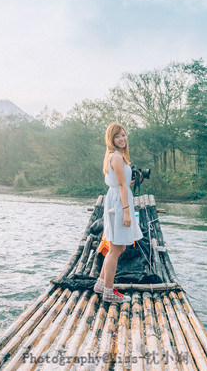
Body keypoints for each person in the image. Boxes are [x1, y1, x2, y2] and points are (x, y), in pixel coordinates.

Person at [94, 122, 143, 303]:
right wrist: (127, 212)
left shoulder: (115, 156)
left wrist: (128, 183)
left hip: (116, 198)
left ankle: (101, 283)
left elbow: (121, 182)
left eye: (123, 135)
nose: (122, 138)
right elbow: (121, 185)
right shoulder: (116, 157)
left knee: (118, 246)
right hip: (119, 203)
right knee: (116, 248)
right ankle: (108, 290)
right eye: (117, 136)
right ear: (111, 139)